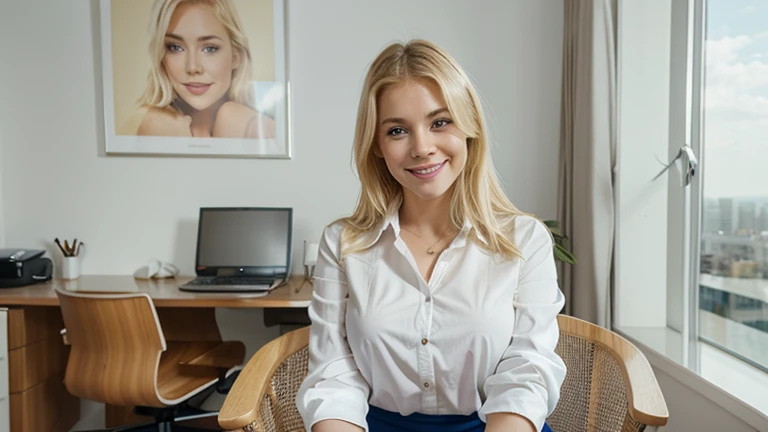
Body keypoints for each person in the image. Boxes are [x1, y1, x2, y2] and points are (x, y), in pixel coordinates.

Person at [296, 39, 565, 432]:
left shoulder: (525, 240)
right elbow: (334, 376)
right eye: (397, 130)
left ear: (469, 127)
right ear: (376, 145)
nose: (422, 148)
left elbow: (527, 371)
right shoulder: (343, 243)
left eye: (440, 122)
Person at [135, 0, 275, 139]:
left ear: (235, 57)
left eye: (209, 48)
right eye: (175, 47)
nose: (192, 67)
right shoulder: (148, 124)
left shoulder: (257, 125)